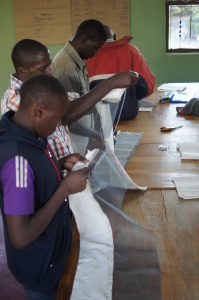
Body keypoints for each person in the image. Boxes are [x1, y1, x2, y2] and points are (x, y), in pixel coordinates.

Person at [0, 74, 89, 299]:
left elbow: (34, 176)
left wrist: (60, 163)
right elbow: (20, 236)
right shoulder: (17, 161)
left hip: (52, 251)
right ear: (39, 111)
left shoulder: (28, 133)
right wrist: (65, 189)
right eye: (57, 118)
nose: (58, 124)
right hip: (41, 267)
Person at [86, 25, 156, 120]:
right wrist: (133, 97)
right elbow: (148, 88)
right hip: (129, 116)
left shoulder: (88, 55)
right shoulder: (132, 51)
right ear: (114, 37)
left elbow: (81, 93)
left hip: (97, 120)